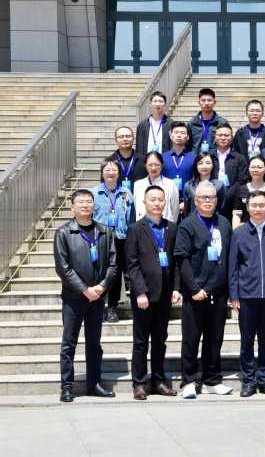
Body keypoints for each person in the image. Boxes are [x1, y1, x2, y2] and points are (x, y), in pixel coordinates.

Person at [55, 189, 118, 403]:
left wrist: (101, 287)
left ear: (94, 205)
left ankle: (94, 384)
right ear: (71, 207)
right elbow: (63, 268)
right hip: (74, 298)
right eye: (80, 202)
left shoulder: (104, 231)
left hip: (98, 297)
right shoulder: (64, 233)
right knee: (69, 343)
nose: (85, 205)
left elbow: (113, 264)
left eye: (88, 201)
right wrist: (84, 289)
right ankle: (67, 386)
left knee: (94, 344)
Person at [174, 181, 233, 399]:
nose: (208, 201)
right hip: (196, 293)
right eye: (203, 198)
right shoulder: (187, 225)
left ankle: (212, 379)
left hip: (219, 292)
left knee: (214, 339)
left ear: (217, 200)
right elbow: (182, 259)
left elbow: (229, 256)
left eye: (212, 197)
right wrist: (193, 288)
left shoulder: (223, 223)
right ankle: (189, 381)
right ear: (196, 201)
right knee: (191, 339)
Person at [228, 190, 265, 397]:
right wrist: (234, 295)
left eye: (262, 205)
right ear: (247, 208)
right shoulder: (239, 233)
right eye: (254, 205)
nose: (258, 209)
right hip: (247, 296)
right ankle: (249, 381)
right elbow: (233, 266)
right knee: (247, 340)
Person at [125, 185, 180, 400]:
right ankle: (139, 383)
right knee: (141, 341)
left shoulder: (172, 228)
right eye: (153, 199)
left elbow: (176, 262)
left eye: (160, 199)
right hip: (144, 295)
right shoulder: (135, 229)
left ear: (165, 202)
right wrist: (140, 292)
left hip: (165, 294)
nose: (157, 203)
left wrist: (176, 288)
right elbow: (131, 264)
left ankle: (158, 380)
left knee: (160, 340)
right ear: (144, 202)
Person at [91, 158, 134, 323]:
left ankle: (112, 307)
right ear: (102, 173)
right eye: (107, 169)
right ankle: (98, 306)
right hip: (100, 238)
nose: (111, 172)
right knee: (100, 272)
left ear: (119, 173)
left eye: (114, 169)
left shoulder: (126, 193)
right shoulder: (94, 193)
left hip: (120, 239)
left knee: (115, 274)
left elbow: (131, 217)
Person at [132, 152, 180, 222]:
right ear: (145, 165)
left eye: (157, 165)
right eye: (150, 165)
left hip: (164, 225)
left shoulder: (170, 184)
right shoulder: (138, 185)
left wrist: (170, 225)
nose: (153, 168)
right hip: (142, 225)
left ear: (162, 165)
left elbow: (175, 209)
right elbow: (137, 207)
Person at [227, 155, 265, 229]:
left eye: (259, 167)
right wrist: (236, 231)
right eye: (253, 167)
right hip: (247, 230)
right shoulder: (241, 190)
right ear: (248, 169)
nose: (256, 170)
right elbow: (237, 213)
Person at [161, 121, 196, 203]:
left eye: (182, 133)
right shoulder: (162, 157)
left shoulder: (194, 158)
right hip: (166, 200)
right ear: (170, 135)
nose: (179, 135)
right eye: (176, 132)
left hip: (188, 200)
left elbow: (196, 180)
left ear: (188, 137)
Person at [181, 153, 224, 217]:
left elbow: (221, 209)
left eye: (208, 163)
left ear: (213, 166)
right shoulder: (189, 186)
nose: (204, 166)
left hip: (213, 220)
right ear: (196, 166)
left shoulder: (219, 185)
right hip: (193, 221)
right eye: (200, 163)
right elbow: (187, 210)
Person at [188, 88, 229, 154]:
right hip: (196, 158)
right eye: (203, 100)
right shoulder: (192, 123)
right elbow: (187, 144)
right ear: (199, 102)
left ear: (214, 102)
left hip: (215, 158)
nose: (206, 103)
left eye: (209, 100)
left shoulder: (222, 123)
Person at [134, 91, 173, 156]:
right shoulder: (142, 125)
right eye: (155, 101)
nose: (157, 104)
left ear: (165, 104)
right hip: (146, 160)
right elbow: (138, 148)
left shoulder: (171, 124)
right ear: (150, 104)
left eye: (160, 101)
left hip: (164, 160)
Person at [212, 123, 248, 190]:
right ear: (215, 137)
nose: (223, 138)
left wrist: (230, 193)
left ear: (232, 137)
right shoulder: (209, 156)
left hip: (233, 194)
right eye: (220, 135)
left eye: (226, 135)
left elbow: (242, 180)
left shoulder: (239, 158)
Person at [111, 126, 147, 190]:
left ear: (133, 138)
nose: (125, 139)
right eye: (121, 137)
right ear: (116, 140)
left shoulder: (144, 160)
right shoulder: (109, 161)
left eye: (128, 136)